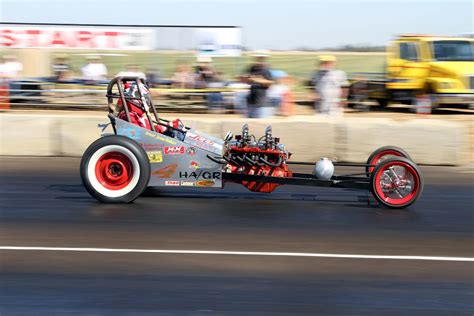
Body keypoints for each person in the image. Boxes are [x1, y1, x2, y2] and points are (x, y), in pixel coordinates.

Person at [243, 51, 274, 118]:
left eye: (261, 58)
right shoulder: (252, 69)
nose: (259, 60)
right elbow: (246, 80)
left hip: (262, 103)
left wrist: (256, 79)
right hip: (251, 101)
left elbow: (270, 83)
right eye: (258, 58)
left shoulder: (266, 70)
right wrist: (246, 78)